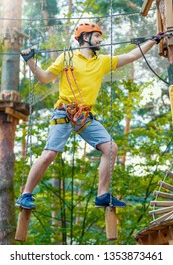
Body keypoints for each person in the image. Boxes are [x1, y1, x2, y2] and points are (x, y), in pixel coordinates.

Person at [16, 22, 160, 209]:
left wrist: (153, 41)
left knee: (111, 148)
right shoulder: (67, 57)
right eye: (97, 36)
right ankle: (25, 194)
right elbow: (44, 78)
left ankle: (102, 195)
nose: (101, 40)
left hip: (84, 116)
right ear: (85, 38)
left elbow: (132, 55)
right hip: (64, 112)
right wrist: (30, 60)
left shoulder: (101, 62)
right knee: (49, 154)